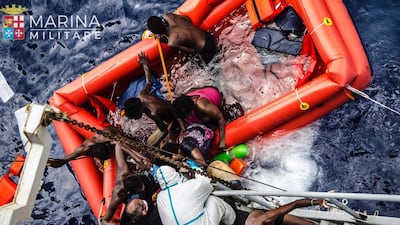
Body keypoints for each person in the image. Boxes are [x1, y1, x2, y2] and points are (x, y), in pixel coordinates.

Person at [123, 52, 181, 146]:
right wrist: (145, 64)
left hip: (175, 119)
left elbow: (164, 131)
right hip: (169, 107)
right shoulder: (141, 95)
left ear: (139, 110)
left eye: (135, 116)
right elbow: (149, 82)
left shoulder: (153, 113)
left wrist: (153, 145)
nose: (136, 119)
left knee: (172, 143)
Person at [101, 143, 162, 225]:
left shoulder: (124, 172)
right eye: (141, 189)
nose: (143, 189)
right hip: (133, 205)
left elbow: (119, 146)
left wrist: (139, 160)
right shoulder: (117, 196)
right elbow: (104, 221)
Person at [155, 165, 236, 225]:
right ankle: (234, 221)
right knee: (212, 200)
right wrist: (194, 168)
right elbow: (207, 182)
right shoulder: (187, 187)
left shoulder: (159, 198)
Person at [147, 13, 217, 64]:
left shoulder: (172, 42)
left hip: (206, 49)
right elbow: (188, 20)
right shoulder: (169, 16)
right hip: (207, 35)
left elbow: (192, 51)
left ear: (159, 34)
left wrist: (165, 41)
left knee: (190, 63)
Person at [172, 86, 227, 150]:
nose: (188, 117)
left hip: (212, 95)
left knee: (209, 121)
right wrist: (183, 129)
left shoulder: (202, 106)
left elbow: (220, 117)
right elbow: (177, 116)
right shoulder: (180, 108)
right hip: (194, 92)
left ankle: (220, 102)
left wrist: (222, 140)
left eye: (188, 115)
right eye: (186, 117)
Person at [245, 198, 327, 225]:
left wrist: (317, 202)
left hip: (273, 220)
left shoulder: (265, 219)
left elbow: (295, 204)